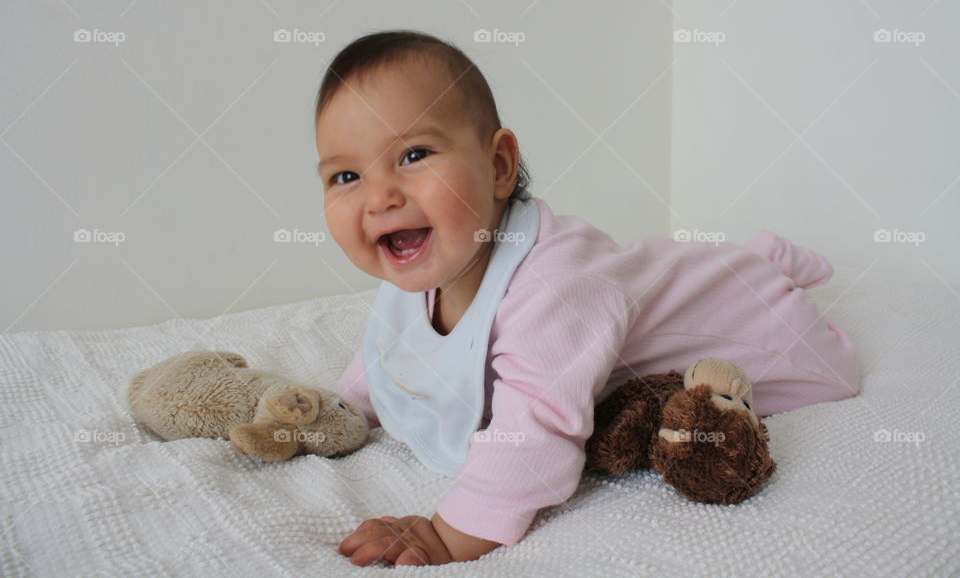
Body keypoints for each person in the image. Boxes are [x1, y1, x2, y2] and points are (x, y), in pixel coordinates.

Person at [314, 30, 860, 566]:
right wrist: (339, 413)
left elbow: (535, 438)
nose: (378, 197)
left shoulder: (556, 288)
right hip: (652, 283)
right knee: (648, 277)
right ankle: (756, 257)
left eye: (413, 154)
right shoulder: (431, 268)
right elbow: (394, 354)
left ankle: (768, 267)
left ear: (499, 165)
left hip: (758, 316)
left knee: (814, 362)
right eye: (346, 175)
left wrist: (445, 535)